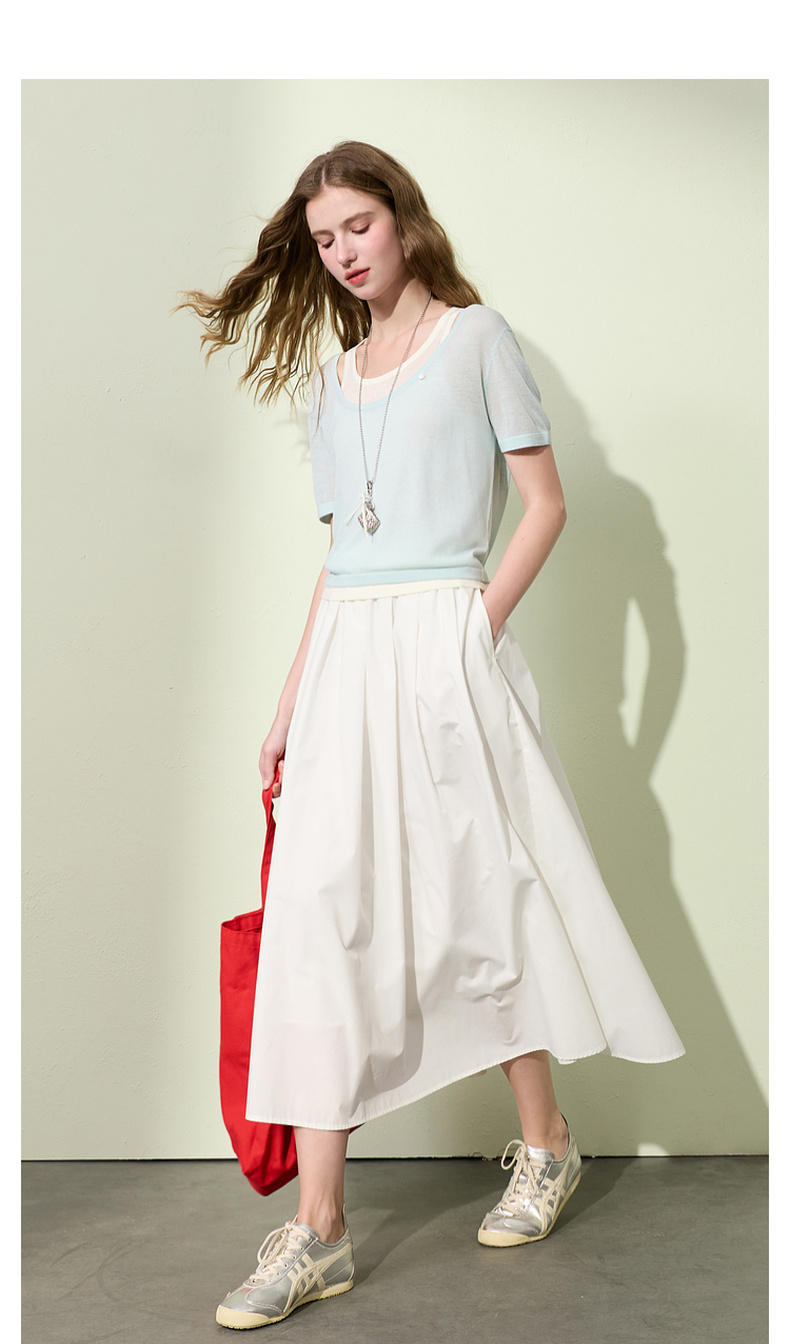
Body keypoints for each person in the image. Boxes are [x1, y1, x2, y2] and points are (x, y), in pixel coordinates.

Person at [181, 140, 685, 1331]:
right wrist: (288, 706)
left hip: (447, 646)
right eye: (323, 240)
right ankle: (318, 1230)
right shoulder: (331, 380)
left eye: (357, 226)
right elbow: (341, 557)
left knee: (480, 894)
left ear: (402, 219)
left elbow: (544, 504)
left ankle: (545, 1145)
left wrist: (475, 626)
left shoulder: (477, 341)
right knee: (320, 917)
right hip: (349, 657)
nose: (342, 252)